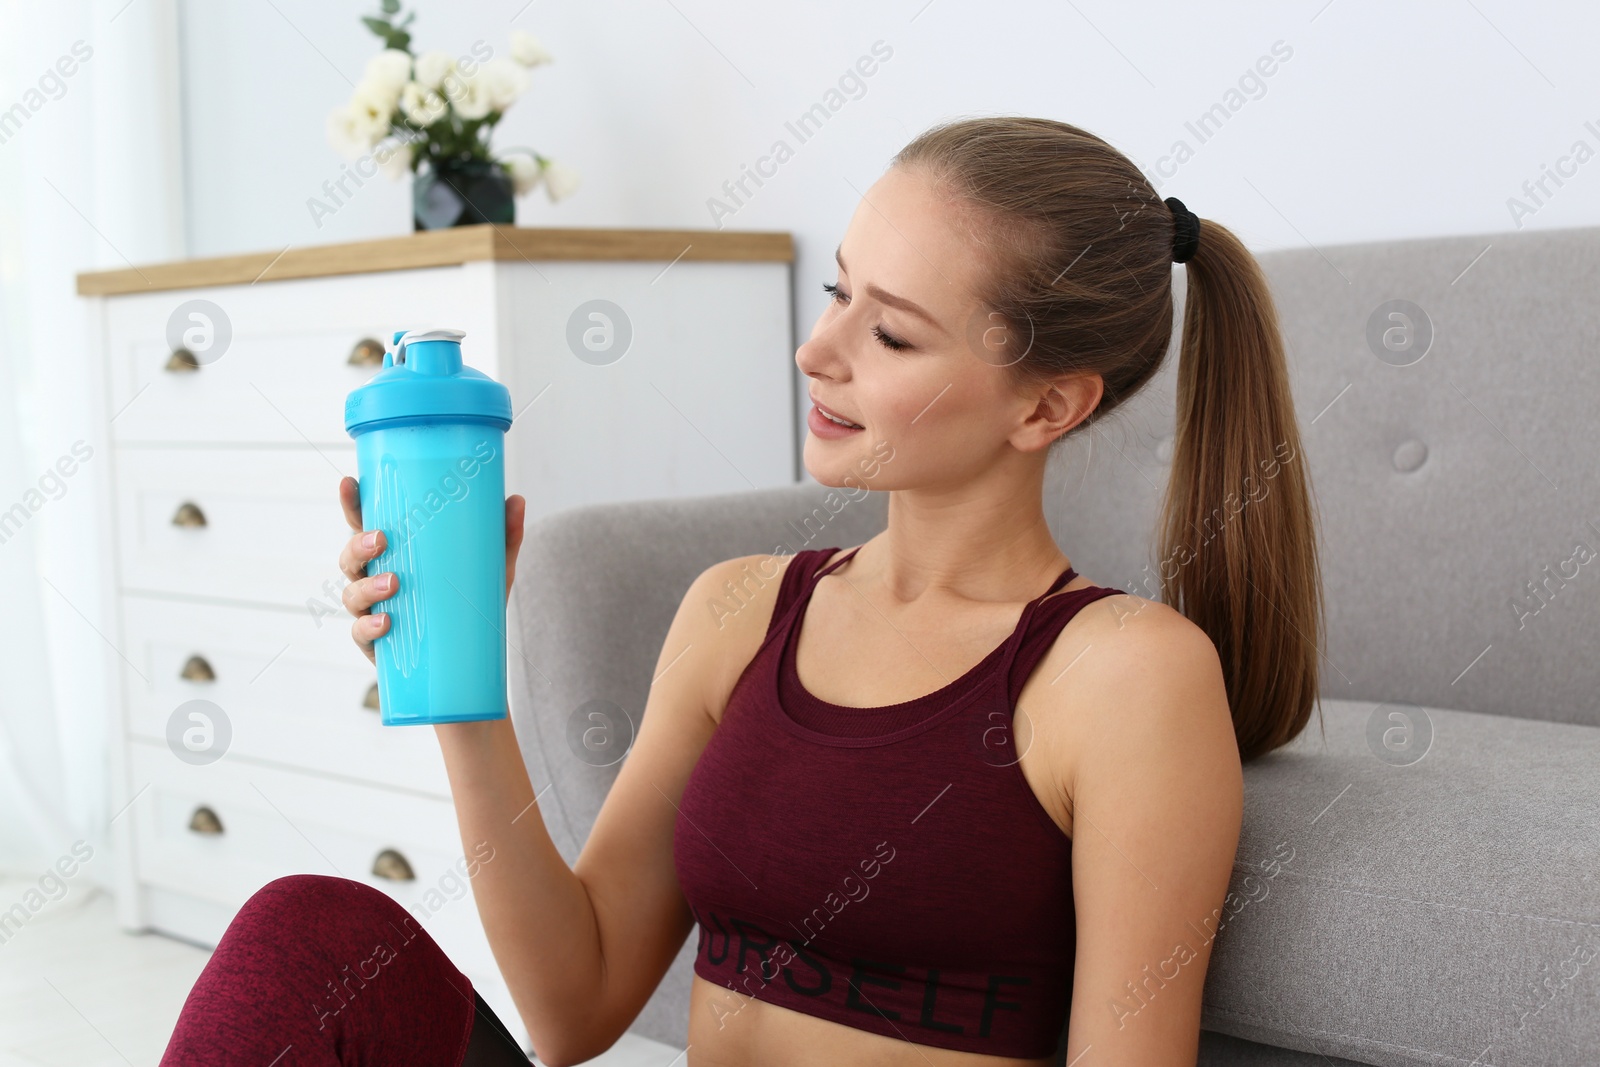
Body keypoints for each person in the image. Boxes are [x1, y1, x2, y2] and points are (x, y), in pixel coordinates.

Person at [160, 115, 1322, 1066]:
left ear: (1045, 406)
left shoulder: (1121, 672)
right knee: (304, 932)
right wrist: (461, 684)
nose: (822, 351)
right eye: (837, 292)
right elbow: (573, 1006)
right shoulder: (739, 608)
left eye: (895, 335)